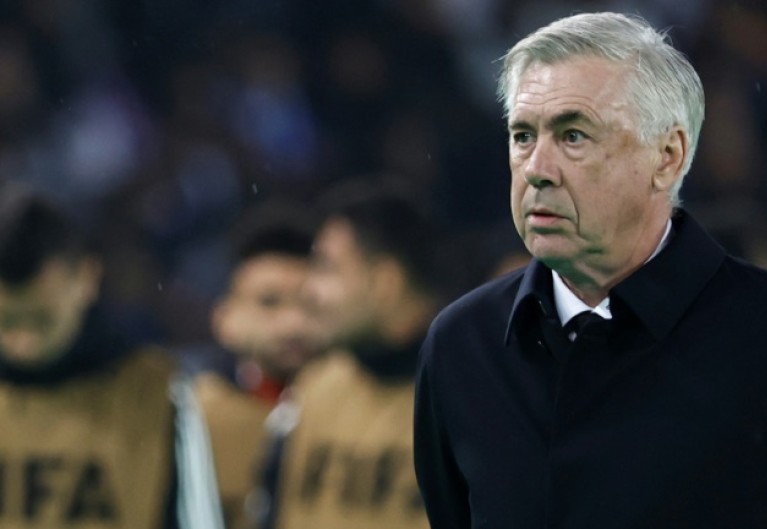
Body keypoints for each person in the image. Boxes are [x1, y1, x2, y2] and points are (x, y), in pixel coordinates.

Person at [413, 12, 767, 528]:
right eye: (523, 135)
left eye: (573, 136)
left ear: (667, 156)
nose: (537, 169)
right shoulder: (462, 346)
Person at [0, 183, 222, 529]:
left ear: (87, 278)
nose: (23, 343)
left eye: (41, 320)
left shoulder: (157, 393)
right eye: (6, 321)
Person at [262, 178, 439, 529]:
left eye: (326, 268)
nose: (309, 290)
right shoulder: (314, 389)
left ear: (385, 282)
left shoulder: (470, 394)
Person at [182, 199, 323, 529]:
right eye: (269, 302)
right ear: (225, 319)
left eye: (310, 304)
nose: (293, 323)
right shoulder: (191, 418)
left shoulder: (360, 415)